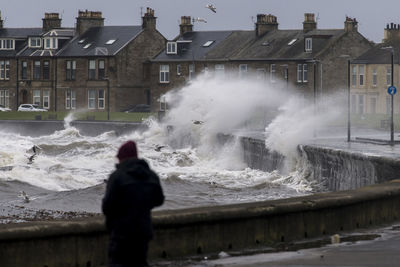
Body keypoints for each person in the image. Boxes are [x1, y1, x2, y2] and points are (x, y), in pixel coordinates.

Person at [102, 140, 164, 267]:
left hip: (121, 233)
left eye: (119, 158)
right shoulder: (150, 175)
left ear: (123, 158)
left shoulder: (117, 176)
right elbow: (159, 199)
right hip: (143, 232)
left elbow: (107, 206)